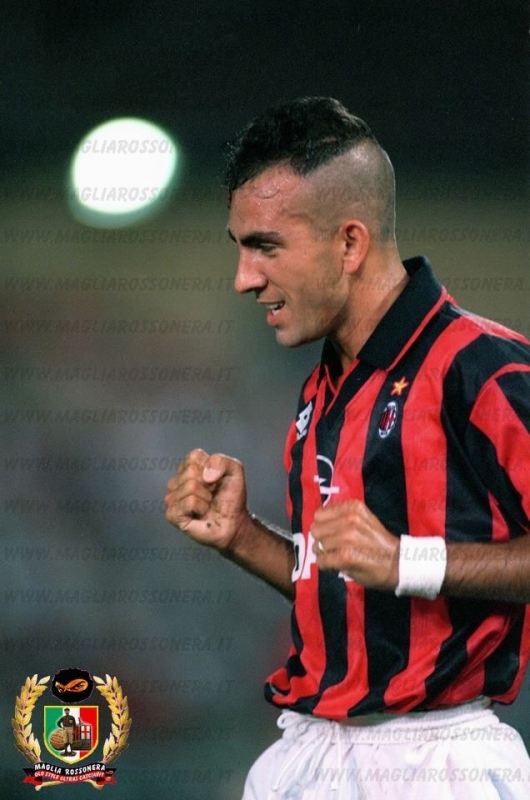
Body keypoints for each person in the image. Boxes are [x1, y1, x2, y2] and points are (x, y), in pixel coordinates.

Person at [165, 97, 530, 799]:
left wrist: (406, 561)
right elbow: (346, 585)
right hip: (309, 751)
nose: (244, 278)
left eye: (266, 247)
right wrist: (243, 538)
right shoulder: (322, 389)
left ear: (350, 244)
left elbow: (391, 568)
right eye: (239, 247)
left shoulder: (483, 368)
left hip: (439, 762)